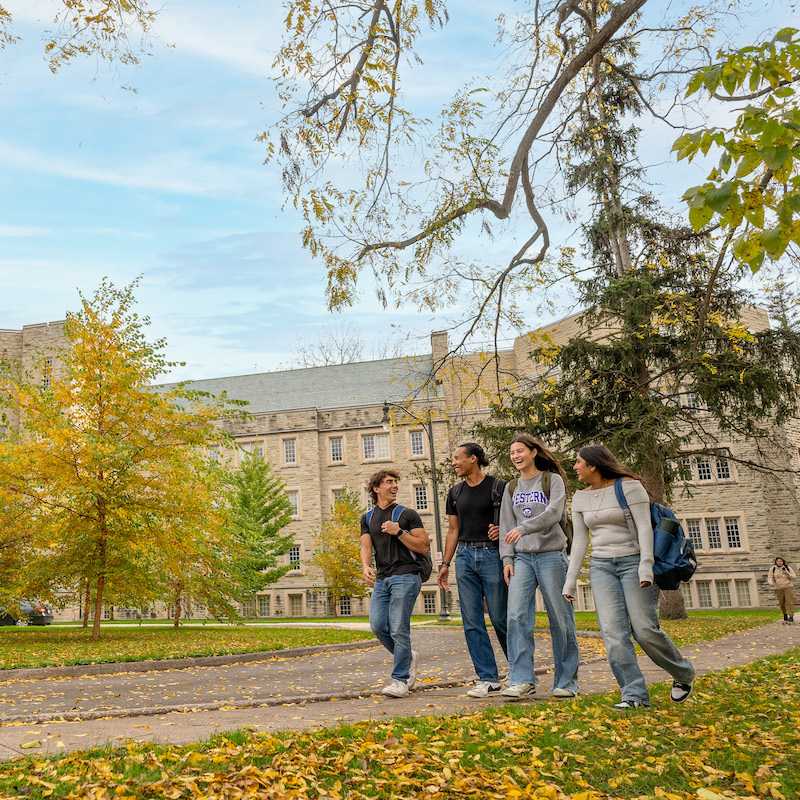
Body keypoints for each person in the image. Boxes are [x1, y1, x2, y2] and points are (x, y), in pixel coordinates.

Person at [563, 445, 695, 710]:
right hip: (601, 567)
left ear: (593, 465)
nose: (575, 467)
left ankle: (683, 673)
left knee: (644, 630)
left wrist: (646, 566)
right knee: (613, 634)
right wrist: (570, 580)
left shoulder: (629, 486)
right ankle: (634, 694)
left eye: (579, 462)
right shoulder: (579, 497)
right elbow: (579, 542)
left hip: (634, 562)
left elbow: (645, 527)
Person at [499, 434, 580, 700]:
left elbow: (554, 514)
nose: (515, 456)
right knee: (516, 617)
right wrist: (507, 559)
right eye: (512, 452)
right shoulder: (511, 487)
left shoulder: (551, 480)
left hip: (551, 556)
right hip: (522, 559)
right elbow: (506, 526)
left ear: (534, 452)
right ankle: (522, 680)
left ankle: (566, 682)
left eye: (520, 450)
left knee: (560, 618)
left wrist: (523, 529)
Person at [439, 443, 508, 697]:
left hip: (493, 555)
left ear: (474, 459)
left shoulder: (499, 487)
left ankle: (519, 670)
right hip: (465, 557)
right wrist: (445, 564)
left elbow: (514, 521)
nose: (454, 463)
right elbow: (453, 530)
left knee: (500, 617)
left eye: (457, 458)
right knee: (471, 621)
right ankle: (488, 678)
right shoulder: (455, 493)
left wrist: (502, 530)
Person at [360, 468, 431, 698]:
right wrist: (365, 565)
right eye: (389, 482)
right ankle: (408, 656)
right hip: (382, 578)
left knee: (399, 627)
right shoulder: (367, 518)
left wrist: (399, 532)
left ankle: (400, 680)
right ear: (376, 488)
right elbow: (365, 546)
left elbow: (423, 546)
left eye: (396, 482)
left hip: (406, 575)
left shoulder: (407, 514)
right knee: (378, 626)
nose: (394, 486)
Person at [768, 557, 796, 623]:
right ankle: (785, 614)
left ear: (783, 562)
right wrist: (770, 583)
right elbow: (770, 578)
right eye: (778, 561)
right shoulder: (773, 569)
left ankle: (791, 616)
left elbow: (794, 577)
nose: (779, 562)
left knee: (789, 601)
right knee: (781, 603)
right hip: (778, 587)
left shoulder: (788, 568)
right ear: (776, 562)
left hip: (788, 586)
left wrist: (787, 574)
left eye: (781, 561)